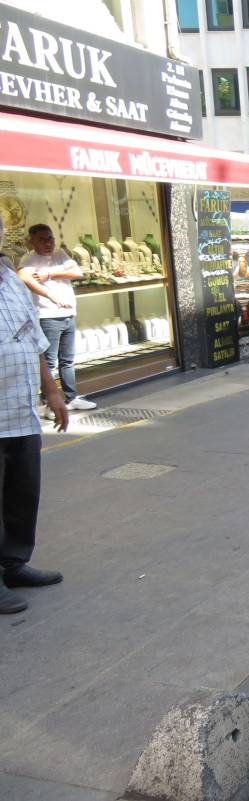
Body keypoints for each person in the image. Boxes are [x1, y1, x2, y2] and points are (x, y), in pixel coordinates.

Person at [0, 217, 69, 615]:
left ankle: (12, 563)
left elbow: (33, 336)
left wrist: (53, 390)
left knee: (22, 494)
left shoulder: (9, 275)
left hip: (20, 410)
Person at [17, 224, 97, 412]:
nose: (48, 243)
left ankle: (72, 397)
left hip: (68, 314)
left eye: (50, 238)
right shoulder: (29, 259)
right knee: (49, 362)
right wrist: (51, 296)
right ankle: (48, 403)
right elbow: (25, 278)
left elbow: (77, 272)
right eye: (42, 239)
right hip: (48, 316)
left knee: (68, 360)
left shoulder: (60, 254)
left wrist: (49, 274)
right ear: (32, 241)